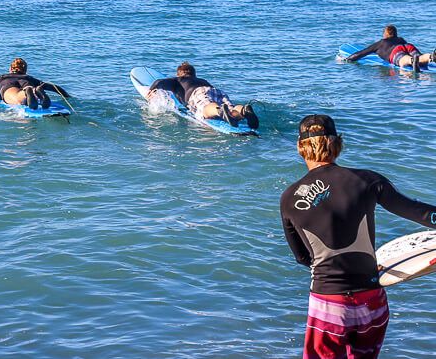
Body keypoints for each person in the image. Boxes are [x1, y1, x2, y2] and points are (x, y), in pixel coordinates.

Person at [280, 115, 436, 359]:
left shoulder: (289, 198)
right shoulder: (368, 180)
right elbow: (419, 213)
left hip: (328, 304)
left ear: (301, 148)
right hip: (371, 301)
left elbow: (302, 257)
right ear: (337, 144)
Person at [147, 62, 258, 129]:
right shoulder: (202, 80)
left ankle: (219, 111)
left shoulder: (177, 80)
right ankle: (244, 110)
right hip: (216, 90)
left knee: (206, 108)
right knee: (231, 109)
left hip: (198, 93)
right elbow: (210, 92)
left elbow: (159, 82)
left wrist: (151, 90)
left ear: (179, 74)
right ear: (194, 74)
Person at [0, 58, 70, 110]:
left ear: (10, 69)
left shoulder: (1, 78)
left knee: (15, 96)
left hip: (9, 88)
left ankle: (28, 93)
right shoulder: (28, 78)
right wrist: (67, 95)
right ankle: (34, 91)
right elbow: (53, 87)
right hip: (27, 83)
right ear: (25, 70)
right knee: (25, 91)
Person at [344, 24, 435, 71]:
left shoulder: (381, 43)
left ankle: (411, 61)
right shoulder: (400, 39)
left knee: (403, 59)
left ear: (385, 34)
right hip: (408, 46)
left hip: (396, 51)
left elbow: (361, 53)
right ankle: (431, 57)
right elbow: (407, 49)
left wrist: (347, 59)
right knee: (420, 58)